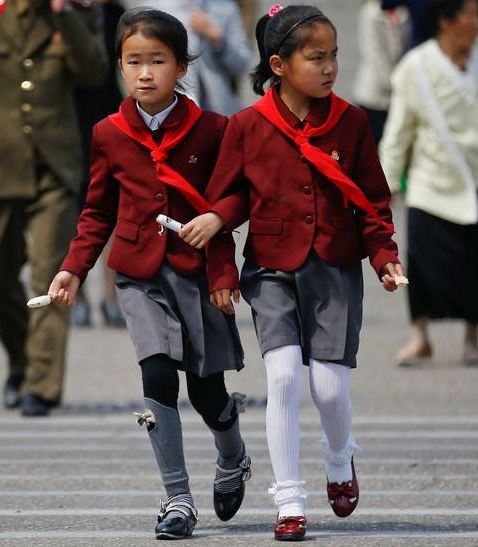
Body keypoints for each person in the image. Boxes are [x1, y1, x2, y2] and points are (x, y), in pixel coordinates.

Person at [181, 4, 403, 540]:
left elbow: (372, 197)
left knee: (328, 390)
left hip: (334, 268)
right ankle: (289, 501)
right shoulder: (246, 125)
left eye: (334, 57)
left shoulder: (350, 121)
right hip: (271, 269)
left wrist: (384, 254)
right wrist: (221, 275)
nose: (329, 68)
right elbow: (226, 199)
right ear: (278, 64)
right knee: (281, 379)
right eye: (316, 57)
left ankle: (339, 457)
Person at [48, 8, 250, 539]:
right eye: (133, 62)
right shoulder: (109, 133)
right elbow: (97, 212)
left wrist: (224, 266)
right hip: (138, 276)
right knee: (157, 377)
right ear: (119, 65)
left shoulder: (214, 129)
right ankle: (177, 499)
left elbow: (233, 198)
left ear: (181, 66)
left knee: (208, 392)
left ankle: (233, 457)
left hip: (200, 273)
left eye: (157, 61)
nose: (144, 73)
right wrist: (72, 269)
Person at [0, 0, 107, 417]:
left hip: (55, 167)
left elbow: (94, 71)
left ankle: (41, 385)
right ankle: (23, 361)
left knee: (50, 278)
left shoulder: (71, 10)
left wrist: (66, 13)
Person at [379, 0, 478, 366]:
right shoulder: (416, 66)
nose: (476, 22)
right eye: (469, 15)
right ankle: (419, 338)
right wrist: (388, 181)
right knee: (422, 263)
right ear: (445, 20)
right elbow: (399, 130)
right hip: (431, 183)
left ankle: (472, 340)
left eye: (477, 14)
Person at [71, 0, 127, 328]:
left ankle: (111, 297)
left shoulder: (116, 14)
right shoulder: (58, 12)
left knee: (114, 211)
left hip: (108, 117)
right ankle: (75, 294)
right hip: (66, 119)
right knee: (70, 210)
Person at [126, 0, 252, 115]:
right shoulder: (150, 9)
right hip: (167, 109)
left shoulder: (226, 8)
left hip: (218, 109)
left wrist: (219, 40)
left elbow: (242, 65)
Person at [351, 0, 410, 145]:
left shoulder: (404, 12)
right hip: (373, 96)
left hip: (397, 96)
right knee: (369, 148)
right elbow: (374, 55)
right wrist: (398, 84)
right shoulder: (371, 12)